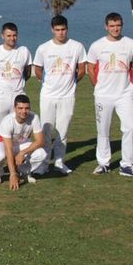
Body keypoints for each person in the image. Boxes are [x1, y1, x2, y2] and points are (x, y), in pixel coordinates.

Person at [87, 13, 133, 178]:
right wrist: (98, 85)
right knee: (103, 130)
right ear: (106, 26)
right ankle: (103, 163)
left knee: (130, 127)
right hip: (103, 96)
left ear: (122, 25)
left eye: (118, 25)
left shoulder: (131, 44)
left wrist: (129, 84)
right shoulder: (97, 46)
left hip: (124, 95)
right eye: (112, 26)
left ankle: (127, 165)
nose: (115, 28)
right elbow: (91, 69)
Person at [33, 15, 86, 175]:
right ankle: (43, 164)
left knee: (63, 132)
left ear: (67, 29)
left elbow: (82, 69)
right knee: (46, 132)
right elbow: (38, 70)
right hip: (48, 96)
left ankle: (59, 162)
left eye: (63, 29)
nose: (60, 33)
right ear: (52, 30)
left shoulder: (77, 46)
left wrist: (71, 83)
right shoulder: (43, 48)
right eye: (57, 30)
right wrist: (50, 82)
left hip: (67, 97)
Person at [0, 23, 32, 169]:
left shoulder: (24, 51)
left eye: (14, 35)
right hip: (0, 96)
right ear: (2, 36)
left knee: (18, 129)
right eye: (9, 35)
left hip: (18, 96)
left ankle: (16, 160)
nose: (12, 38)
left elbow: (28, 72)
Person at [0, 95, 46, 190]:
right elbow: (8, 149)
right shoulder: (7, 121)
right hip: (3, 143)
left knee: (41, 153)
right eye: (20, 108)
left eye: (27, 108)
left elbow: (40, 141)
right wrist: (13, 174)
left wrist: (22, 153)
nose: (24, 111)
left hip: (21, 144)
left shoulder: (34, 117)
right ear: (14, 108)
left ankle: (24, 171)